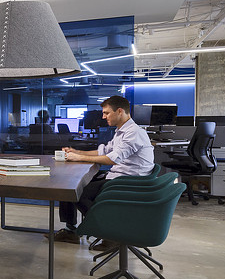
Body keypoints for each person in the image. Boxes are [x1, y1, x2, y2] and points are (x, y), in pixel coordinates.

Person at [50, 95, 154, 246]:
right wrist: (75, 152)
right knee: (70, 184)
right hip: (121, 176)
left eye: (106, 113)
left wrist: (78, 158)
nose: (103, 116)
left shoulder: (134, 133)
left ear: (119, 111)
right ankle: (70, 230)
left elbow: (112, 159)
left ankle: (110, 233)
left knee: (76, 193)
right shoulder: (122, 131)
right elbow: (104, 151)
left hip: (128, 182)